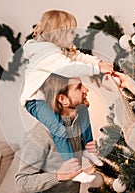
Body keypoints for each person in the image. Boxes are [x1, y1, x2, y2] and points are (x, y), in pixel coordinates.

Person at [20, 9, 112, 178]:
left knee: (82, 108)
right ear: (58, 34)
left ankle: (86, 148)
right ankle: (72, 167)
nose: (74, 36)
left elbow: (80, 57)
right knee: (59, 129)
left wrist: (99, 62)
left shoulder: (61, 50)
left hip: (47, 98)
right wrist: (96, 69)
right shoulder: (45, 53)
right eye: (71, 32)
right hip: (35, 100)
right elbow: (69, 67)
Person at [16, 74, 100, 193]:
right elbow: (21, 182)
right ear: (63, 99)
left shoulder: (77, 123)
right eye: (79, 87)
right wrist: (58, 175)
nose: (85, 90)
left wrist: (90, 149)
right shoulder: (38, 135)